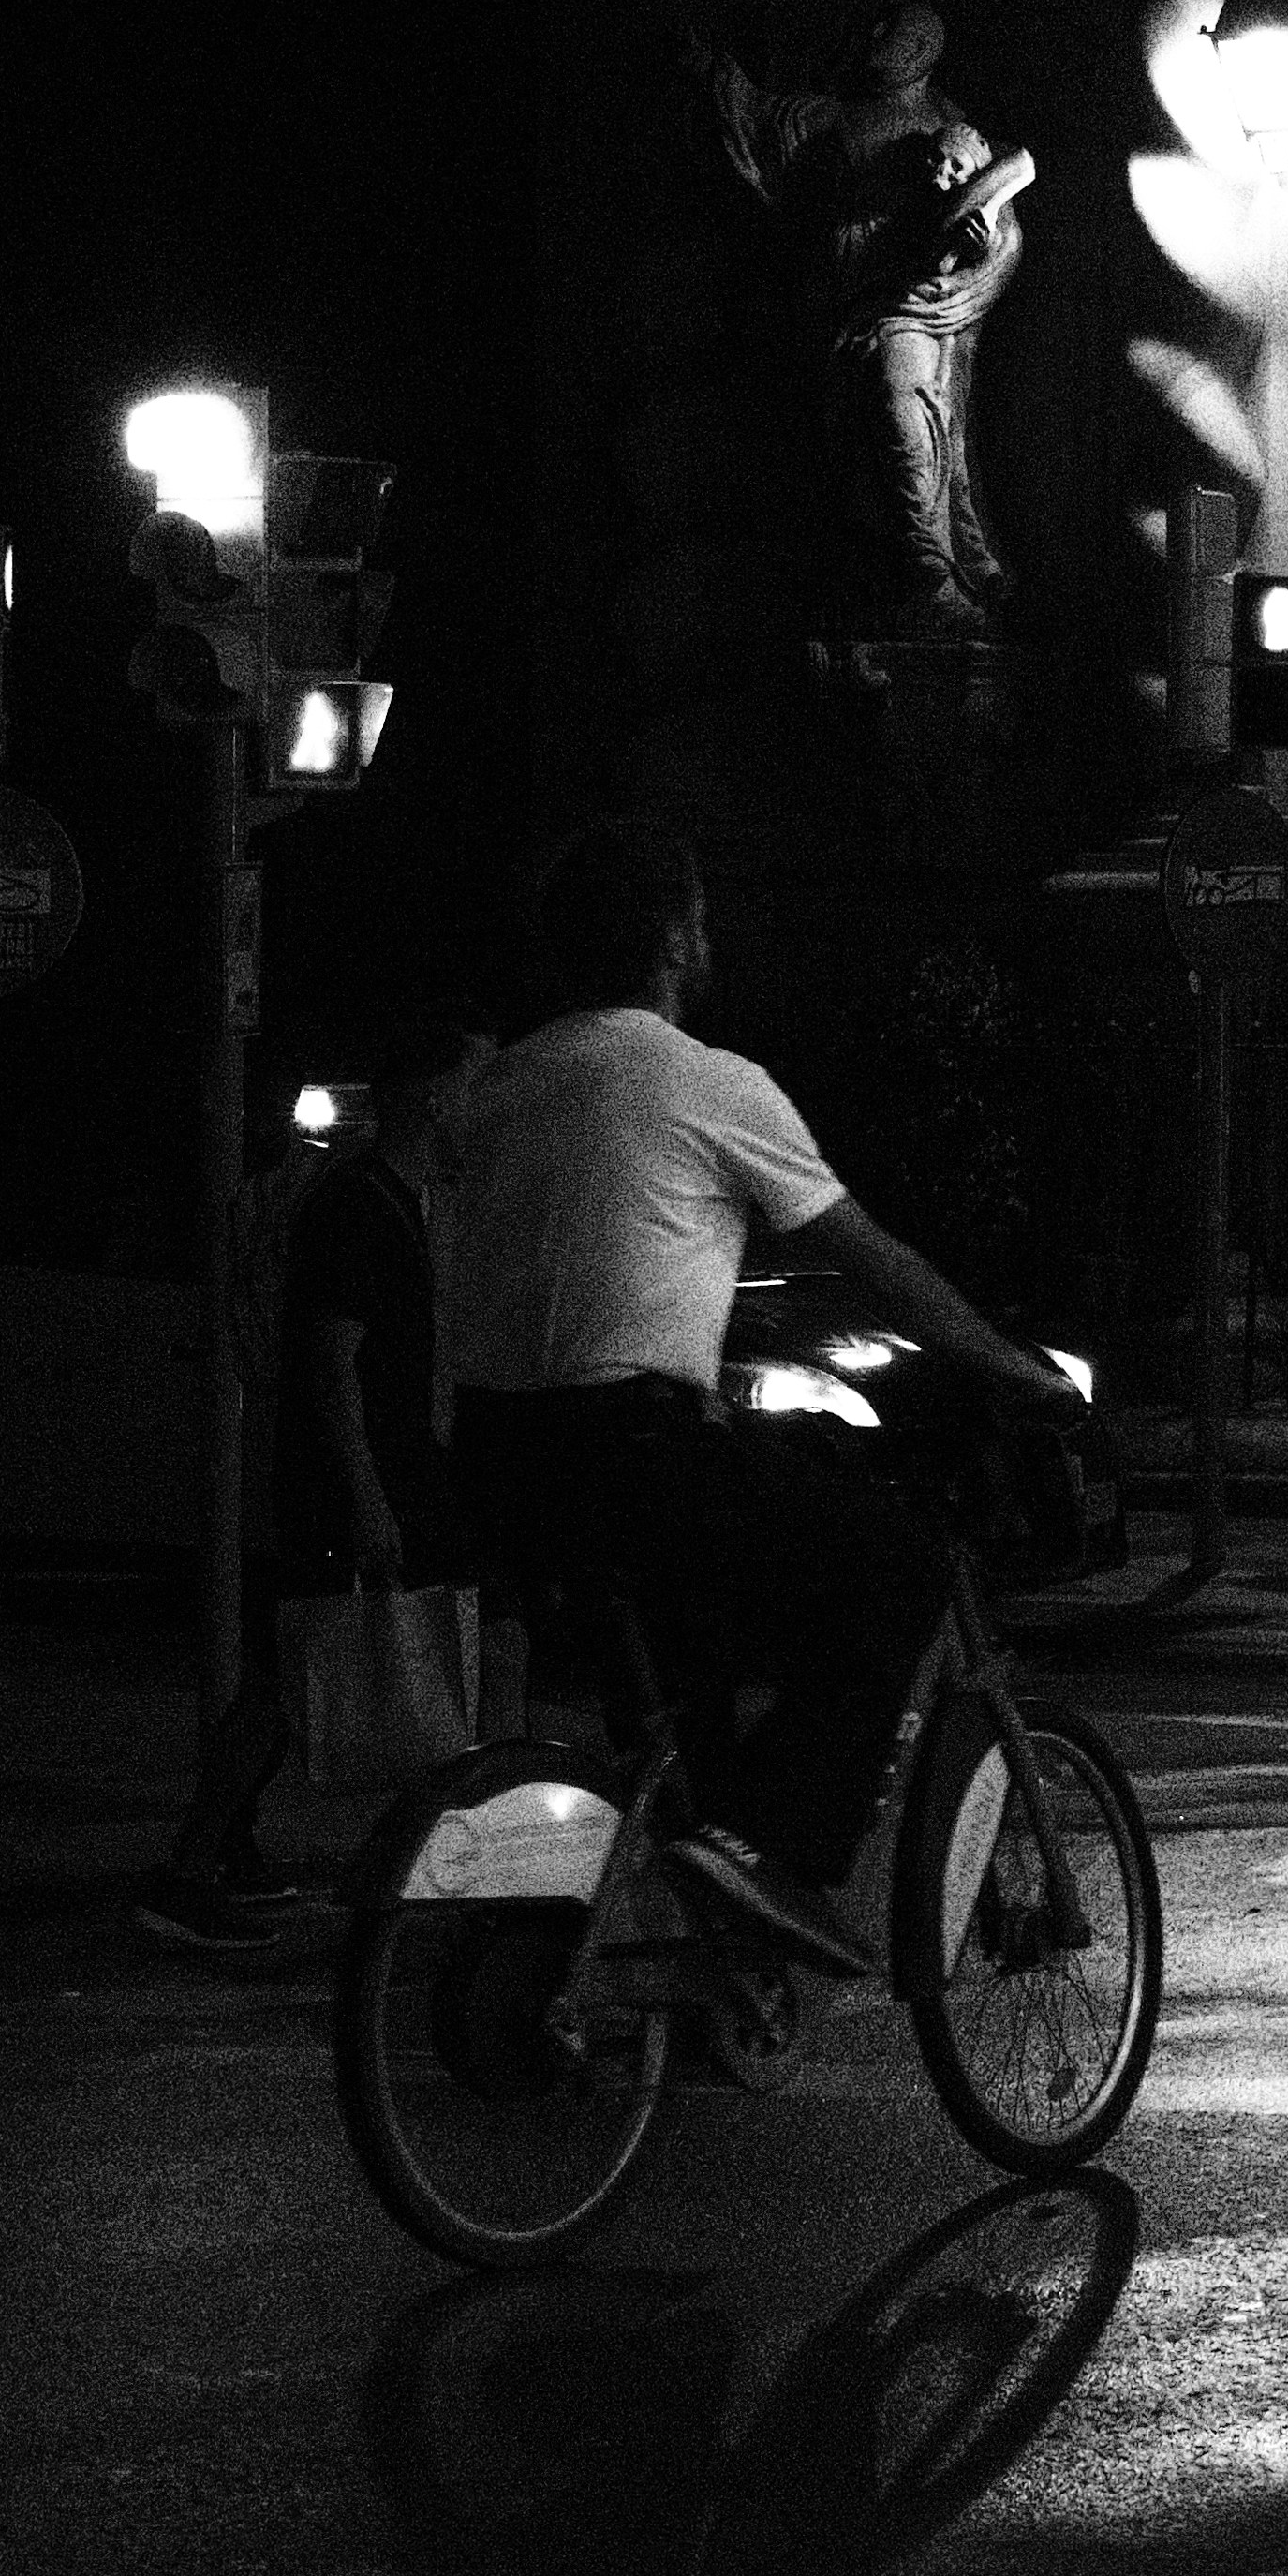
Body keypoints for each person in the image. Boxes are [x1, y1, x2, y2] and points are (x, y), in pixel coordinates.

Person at [450, 816, 1075, 1975]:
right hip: (634, 1450)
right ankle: (779, 1857)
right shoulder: (707, 1082)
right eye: (699, 921)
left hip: (496, 1462)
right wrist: (1013, 1368)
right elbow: (872, 1260)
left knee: (697, 1698)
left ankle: (706, 1939)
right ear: (673, 940)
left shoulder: (503, 1084)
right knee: (899, 1574)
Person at [136, 1004, 492, 1951]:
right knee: (290, 1675)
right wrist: (367, 1496)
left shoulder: (394, 1198)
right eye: (472, 1086)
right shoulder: (360, 1204)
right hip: (346, 1481)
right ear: (428, 1098)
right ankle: (190, 1870)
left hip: (372, 1472)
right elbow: (331, 1363)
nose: (482, 1108)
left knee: (307, 1670)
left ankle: (228, 1853)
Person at [688, 0, 1032, 643]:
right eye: (873, 26)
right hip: (848, 304)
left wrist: (982, 238)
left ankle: (932, 576)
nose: (875, 37)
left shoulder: (949, 122)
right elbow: (757, 120)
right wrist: (709, 65)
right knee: (858, 446)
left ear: (922, 49)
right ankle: (912, 577)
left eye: (890, 30)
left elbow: (997, 213)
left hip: (918, 306)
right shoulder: (832, 115)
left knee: (912, 417)